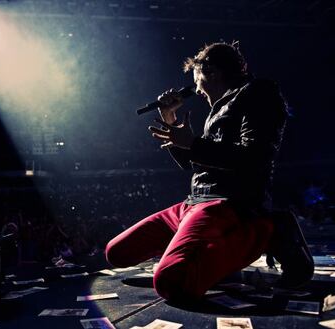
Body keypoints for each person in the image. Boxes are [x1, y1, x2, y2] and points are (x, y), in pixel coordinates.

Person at [105, 41, 314, 301]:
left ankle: (268, 228)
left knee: (173, 283)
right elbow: (194, 162)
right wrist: (170, 121)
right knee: (116, 253)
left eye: (197, 81)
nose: (197, 90)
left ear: (211, 73)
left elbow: (255, 158)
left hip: (227, 204)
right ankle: (205, 253)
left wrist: (193, 143)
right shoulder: (216, 112)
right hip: (193, 203)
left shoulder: (258, 92)